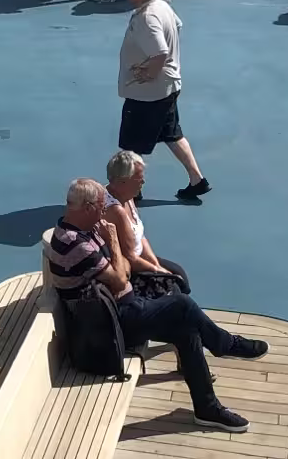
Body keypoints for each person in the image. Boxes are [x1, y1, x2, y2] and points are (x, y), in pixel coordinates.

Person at [46, 178, 264, 433]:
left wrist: (118, 266)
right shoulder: (76, 244)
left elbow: (124, 270)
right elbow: (119, 278)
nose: (104, 213)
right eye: (102, 207)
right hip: (112, 327)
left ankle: (207, 408)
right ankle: (224, 344)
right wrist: (114, 242)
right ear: (87, 207)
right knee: (182, 306)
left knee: (187, 329)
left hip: (122, 309)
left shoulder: (86, 230)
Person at [118, 0, 210, 202]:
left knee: (131, 144)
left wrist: (149, 72)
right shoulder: (162, 6)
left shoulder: (146, 17)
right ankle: (196, 180)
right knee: (171, 134)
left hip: (148, 93)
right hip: (169, 87)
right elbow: (177, 26)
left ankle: (132, 190)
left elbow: (160, 51)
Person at [101, 150, 185, 281]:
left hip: (139, 258)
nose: (143, 182)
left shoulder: (127, 196)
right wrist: (157, 271)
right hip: (129, 268)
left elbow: (140, 237)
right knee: (176, 282)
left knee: (178, 272)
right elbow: (130, 258)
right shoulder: (115, 211)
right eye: (139, 179)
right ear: (123, 181)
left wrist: (156, 264)